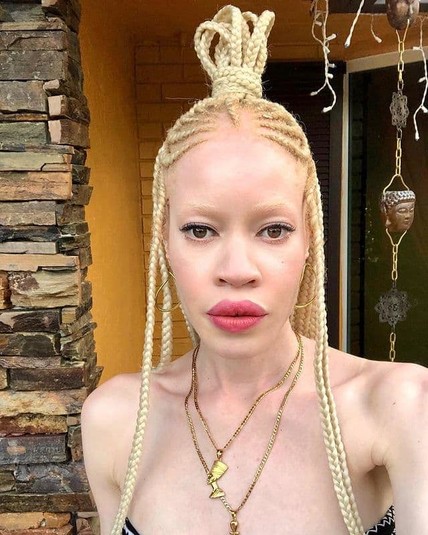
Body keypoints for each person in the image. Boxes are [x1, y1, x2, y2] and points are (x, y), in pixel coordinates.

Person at [81, 6, 428, 535]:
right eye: (200, 230)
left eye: (273, 230)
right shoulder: (114, 419)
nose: (237, 270)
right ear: (164, 243)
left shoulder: (398, 408)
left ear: (310, 240)